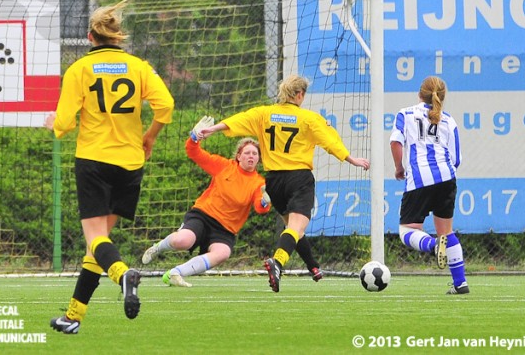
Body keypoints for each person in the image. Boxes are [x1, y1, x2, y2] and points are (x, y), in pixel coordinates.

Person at [44, 0, 175, 334]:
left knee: (96, 238)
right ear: (118, 39)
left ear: (90, 37)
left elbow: (65, 122)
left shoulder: (79, 70)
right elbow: (166, 106)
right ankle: (73, 317)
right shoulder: (139, 67)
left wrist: (54, 125)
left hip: (94, 161)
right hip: (130, 164)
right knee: (97, 243)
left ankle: (123, 276)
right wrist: (150, 137)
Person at [199, 75, 370, 292]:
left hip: (274, 182)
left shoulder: (264, 113)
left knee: (293, 228)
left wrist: (212, 129)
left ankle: (313, 266)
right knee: (296, 227)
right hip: (298, 178)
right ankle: (277, 262)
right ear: (299, 95)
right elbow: (330, 141)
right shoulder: (308, 118)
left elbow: (238, 120)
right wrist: (350, 158)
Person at [141, 118, 271, 287]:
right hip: (203, 216)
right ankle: (158, 247)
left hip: (225, 229)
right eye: (247, 153)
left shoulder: (258, 183)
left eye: (255, 154)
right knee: (183, 241)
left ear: (259, 159)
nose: (251, 156)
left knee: (223, 253)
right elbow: (193, 152)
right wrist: (194, 138)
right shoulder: (224, 166)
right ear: (238, 156)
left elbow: (260, 208)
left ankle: (175, 273)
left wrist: (265, 202)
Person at [389, 75, 468, 295]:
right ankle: (460, 283)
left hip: (420, 179)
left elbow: (396, 141)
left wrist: (399, 168)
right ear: (442, 97)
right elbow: (456, 159)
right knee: (447, 231)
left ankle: (434, 246)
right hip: (447, 177)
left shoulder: (405, 114)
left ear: (419, 93)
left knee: (407, 231)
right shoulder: (449, 120)